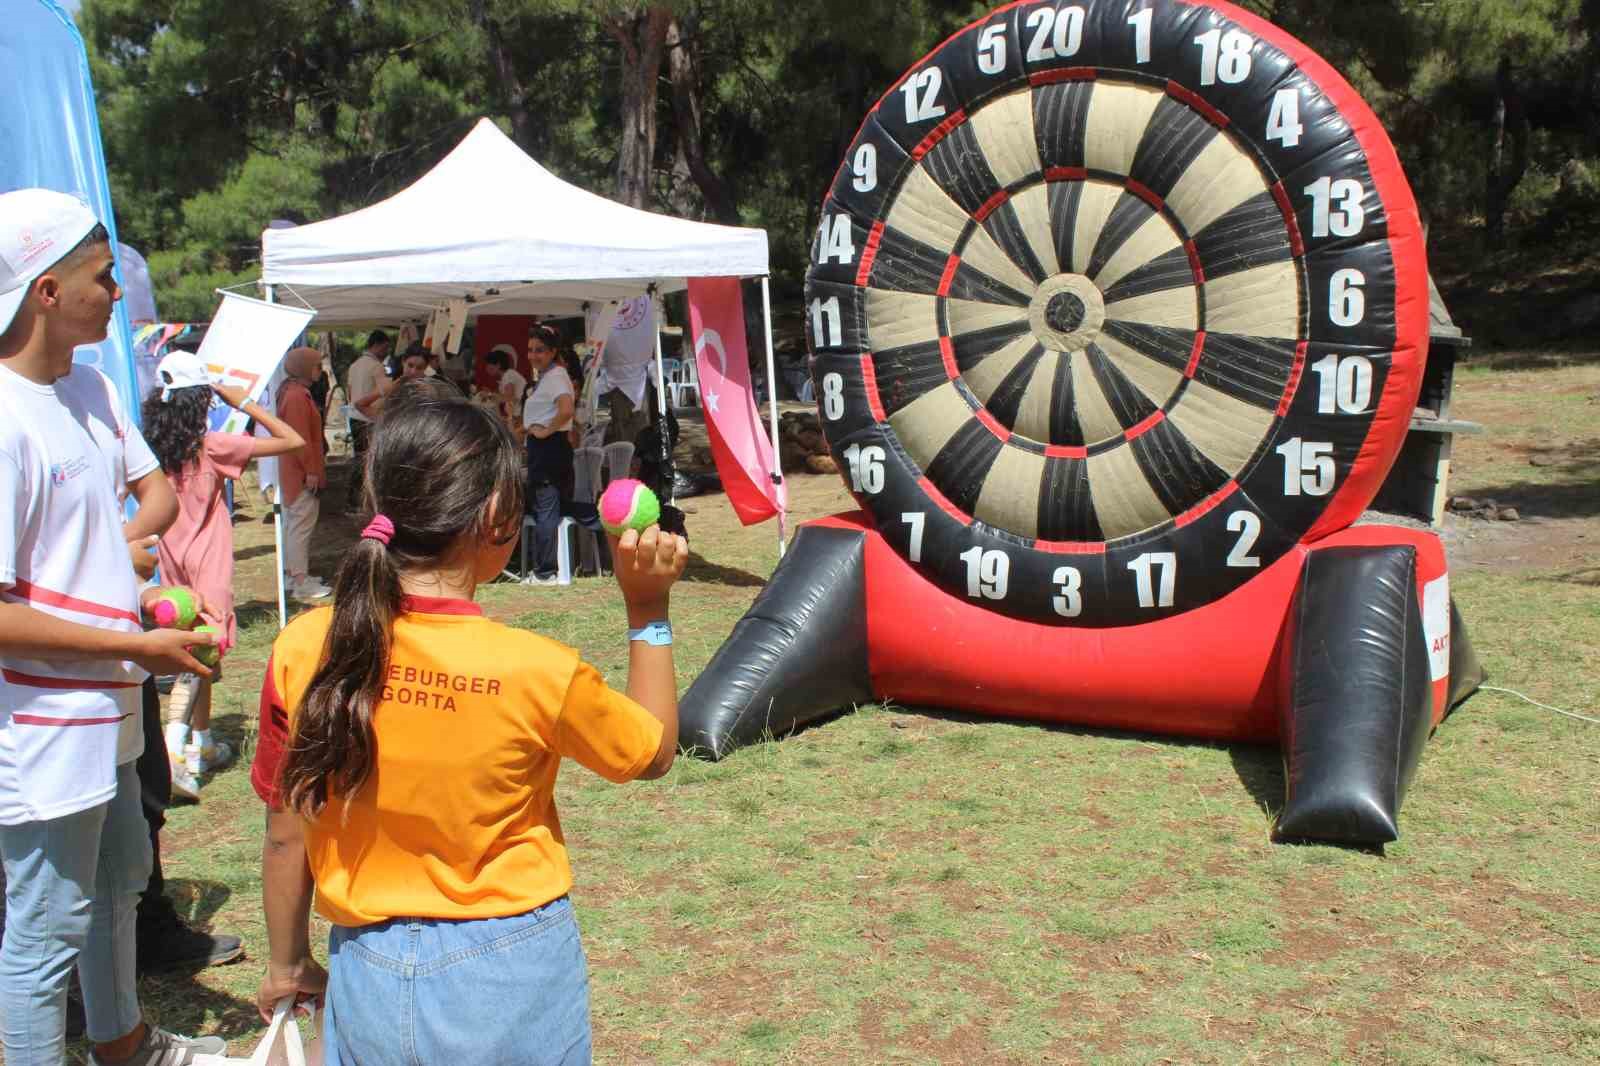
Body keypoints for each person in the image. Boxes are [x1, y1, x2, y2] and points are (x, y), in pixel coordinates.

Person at [250, 395, 686, 1063]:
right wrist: (647, 609)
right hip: (509, 969)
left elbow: (286, 832)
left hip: (365, 965)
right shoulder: (534, 670)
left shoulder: (301, 647)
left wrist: (287, 963)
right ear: (494, 518)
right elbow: (652, 751)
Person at [0, 187, 225, 1065]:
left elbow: (140, 507)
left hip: (110, 707)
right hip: (42, 727)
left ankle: (123, 1044)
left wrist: (122, 574)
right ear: (45, 291)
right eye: (102, 276)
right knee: (46, 925)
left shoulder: (89, 389)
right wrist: (138, 643)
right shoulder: (4, 419)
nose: (119, 293)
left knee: (119, 884)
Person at [142, 350, 306, 794]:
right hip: (209, 565)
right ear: (201, 399)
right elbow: (292, 441)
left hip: (170, 564)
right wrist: (243, 402)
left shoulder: (150, 450)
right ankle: (174, 751)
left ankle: (204, 743)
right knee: (200, 655)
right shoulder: (212, 445)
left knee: (195, 654)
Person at [277, 347, 331, 602]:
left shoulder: (293, 392)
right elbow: (300, 440)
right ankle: (300, 581)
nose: (320, 370)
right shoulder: (297, 396)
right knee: (300, 526)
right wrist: (311, 470)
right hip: (300, 472)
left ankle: (294, 574)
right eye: (317, 365)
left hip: (294, 470)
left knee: (294, 525)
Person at [523, 324, 575, 584]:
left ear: (553, 352)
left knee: (546, 509)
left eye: (540, 350)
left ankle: (545, 573)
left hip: (549, 448)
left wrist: (546, 431)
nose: (533, 355)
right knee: (544, 507)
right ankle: (544, 568)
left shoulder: (555, 376)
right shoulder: (547, 375)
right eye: (531, 350)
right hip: (543, 447)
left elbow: (566, 409)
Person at [344, 331, 391, 511]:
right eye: (385, 347)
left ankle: (353, 500)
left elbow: (349, 391)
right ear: (376, 345)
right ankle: (361, 501)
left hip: (355, 417)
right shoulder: (376, 366)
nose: (387, 352)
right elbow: (384, 391)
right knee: (369, 461)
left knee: (359, 459)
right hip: (370, 417)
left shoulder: (354, 365)